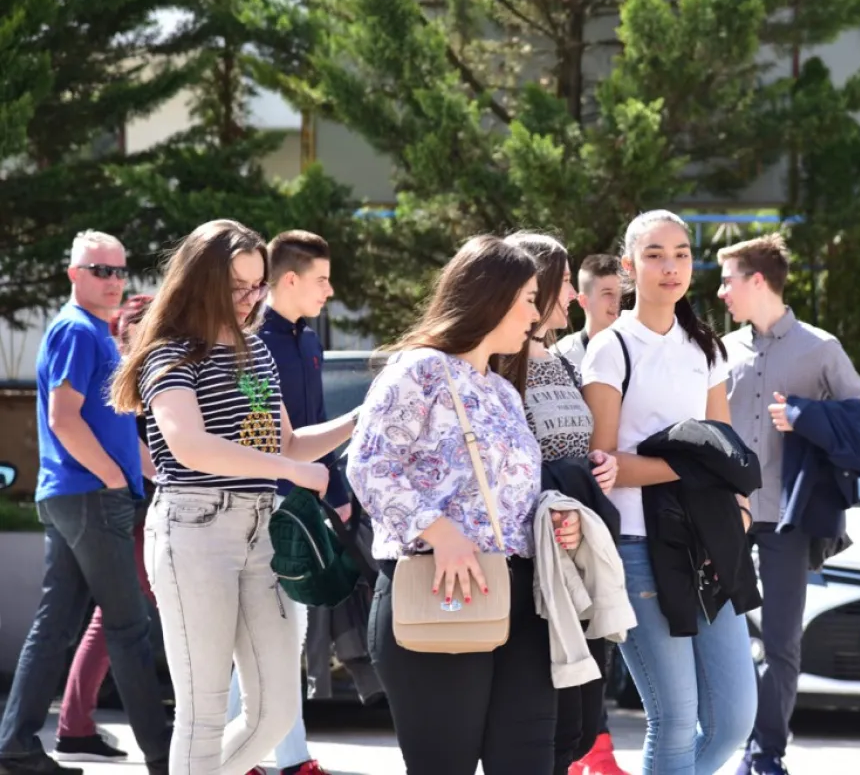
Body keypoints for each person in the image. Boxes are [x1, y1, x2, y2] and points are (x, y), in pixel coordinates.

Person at [108, 219, 358, 775]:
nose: (251, 299)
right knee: (204, 712)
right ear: (201, 282)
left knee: (275, 709)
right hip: (195, 531)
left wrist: (362, 418)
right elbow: (189, 445)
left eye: (258, 285)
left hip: (261, 533)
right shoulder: (169, 353)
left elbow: (289, 439)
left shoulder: (256, 352)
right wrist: (290, 468)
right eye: (239, 286)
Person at [347, 235, 567, 775]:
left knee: (529, 761)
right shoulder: (418, 369)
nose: (536, 314)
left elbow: (507, 490)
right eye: (530, 298)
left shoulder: (502, 389)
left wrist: (554, 519)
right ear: (492, 297)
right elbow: (368, 465)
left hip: (521, 596)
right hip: (438, 590)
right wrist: (440, 531)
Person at [581, 210, 758, 775]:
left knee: (733, 721)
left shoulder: (706, 348)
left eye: (682, 253)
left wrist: (741, 506)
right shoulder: (611, 347)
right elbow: (603, 466)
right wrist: (693, 468)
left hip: (710, 542)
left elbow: (724, 450)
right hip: (636, 547)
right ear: (630, 267)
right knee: (676, 720)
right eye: (655, 254)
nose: (671, 266)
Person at [0, 232, 171, 775]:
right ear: (74, 274)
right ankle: (166, 755)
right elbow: (63, 419)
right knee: (129, 627)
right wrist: (114, 481)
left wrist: (160, 472)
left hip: (79, 497)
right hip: (90, 500)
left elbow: (115, 432)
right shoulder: (78, 330)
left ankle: (17, 745)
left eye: (121, 271)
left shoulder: (97, 333)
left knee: (56, 626)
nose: (114, 280)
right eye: (101, 270)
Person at [717, 234, 860, 775]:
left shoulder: (821, 349)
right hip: (726, 516)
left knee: (781, 641)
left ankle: (765, 755)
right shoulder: (721, 352)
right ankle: (716, 740)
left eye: (728, 280)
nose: (721, 293)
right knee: (719, 637)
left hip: (788, 520)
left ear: (757, 281)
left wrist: (807, 415)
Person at [495, 233, 623, 775]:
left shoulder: (565, 361)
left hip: (579, 560)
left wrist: (604, 467)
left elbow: (577, 444)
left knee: (578, 728)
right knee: (547, 730)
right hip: (532, 568)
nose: (573, 294)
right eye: (567, 281)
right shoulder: (501, 362)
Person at [227, 230, 348, 775]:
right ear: (291, 279)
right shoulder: (251, 344)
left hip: (301, 503)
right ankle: (266, 757)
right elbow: (269, 438)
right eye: (322, 279)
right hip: (259, 508)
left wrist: (337, 494)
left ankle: (270, 756)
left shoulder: (309, 342)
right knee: (270, 639)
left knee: (278, 638)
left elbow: (311, 430)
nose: (330, 290)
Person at [55, 294, 157, 763]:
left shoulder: (137, 365)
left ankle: (76, 723)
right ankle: (77, 725)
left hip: (135, 504)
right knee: (120, 615)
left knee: (115, 614)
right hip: (134, 505)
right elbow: (132, 447)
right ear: (129, 327)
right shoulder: (121, 368)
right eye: (150, 324)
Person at [553, 254, 623, 371]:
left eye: (622, 293)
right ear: (583, 301)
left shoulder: (641, 351)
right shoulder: (561, 357)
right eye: (608, 293)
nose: (618, 301)